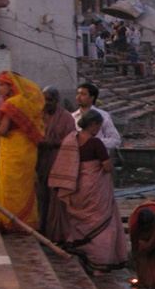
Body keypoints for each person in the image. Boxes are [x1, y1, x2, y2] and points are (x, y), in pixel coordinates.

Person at [48, 109, 128, 275]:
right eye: (98, 126)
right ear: (93, 125)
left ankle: (84, 255)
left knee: (81, 223)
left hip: (77, 188)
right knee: (103, 225)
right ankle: (100, 263)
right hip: (95, 190)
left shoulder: (71, 140)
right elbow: (106, 166)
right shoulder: (95, 143)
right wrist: (111, 163)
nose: (99, 129)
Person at [0, 71, 45, 232]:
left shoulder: (10, 104)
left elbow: (3, 129)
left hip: (12, 148)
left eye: (2, 85)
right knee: (24, 185)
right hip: (27, 150)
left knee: (9, 185)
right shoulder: (25, 102)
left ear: (11, 86)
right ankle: (26, 221)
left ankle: (10, 221)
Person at [36, 86, 77, 242]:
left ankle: (57, 233)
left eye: (50, 100)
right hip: (41, 161)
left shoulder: (66, 118)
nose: (47, 103)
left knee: (57, 199)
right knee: (41, 195)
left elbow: (71, 140)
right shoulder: (38, 115)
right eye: (44, 100)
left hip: (59, 161)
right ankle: (41, 230)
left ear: (57, 101)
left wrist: (51, 143)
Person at [72, 82, 121, 152]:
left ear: (91, 98)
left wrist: (95, 142)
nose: (78, 97)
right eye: (78, 93)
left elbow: (116, 140)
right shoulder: (72, 117)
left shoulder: (103, 116)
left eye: (83, 94)